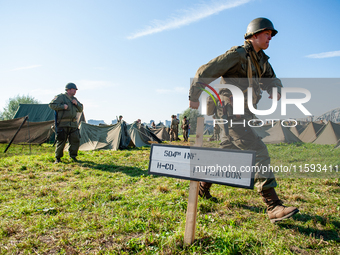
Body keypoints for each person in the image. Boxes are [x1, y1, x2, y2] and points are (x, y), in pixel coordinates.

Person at [189, 18, 299, 223]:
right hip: (231, 112)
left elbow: (271, 78)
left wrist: (275, 89)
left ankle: (202, 187)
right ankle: (273, 206)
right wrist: (194, 97)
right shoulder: (237, 55)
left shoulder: (262, 60)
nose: (270, 38)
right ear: (254, 35)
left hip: (245, 113)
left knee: (225, 153)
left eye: (271, 35)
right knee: (257, 150)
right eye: (267, 34)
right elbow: (204, 71)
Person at [49, 83, 83, 163]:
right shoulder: (61, 97)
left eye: (75, 90)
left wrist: (76, 104)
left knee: (75, 140)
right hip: (63, 124)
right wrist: (62, 107)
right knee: (61, 141)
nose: (75, 91)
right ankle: (58, 158)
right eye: (73, 89)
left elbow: (81, 109)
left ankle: (73, 156)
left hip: (73, 124)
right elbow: (51, 105)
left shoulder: (74, 99)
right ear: (68, 90)